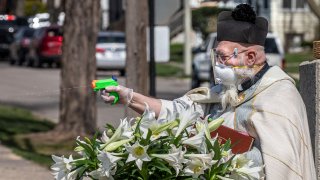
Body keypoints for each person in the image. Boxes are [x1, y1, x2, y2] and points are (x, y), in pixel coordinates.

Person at [101, 4, 316, 179]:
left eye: (224, 56)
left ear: (250, 57)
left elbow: (280, 165)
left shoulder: (278, 97)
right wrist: (129, 97)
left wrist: (212, 156)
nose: (218, 64)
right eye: (217, 56)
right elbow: (176, 113)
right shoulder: (222, 92)